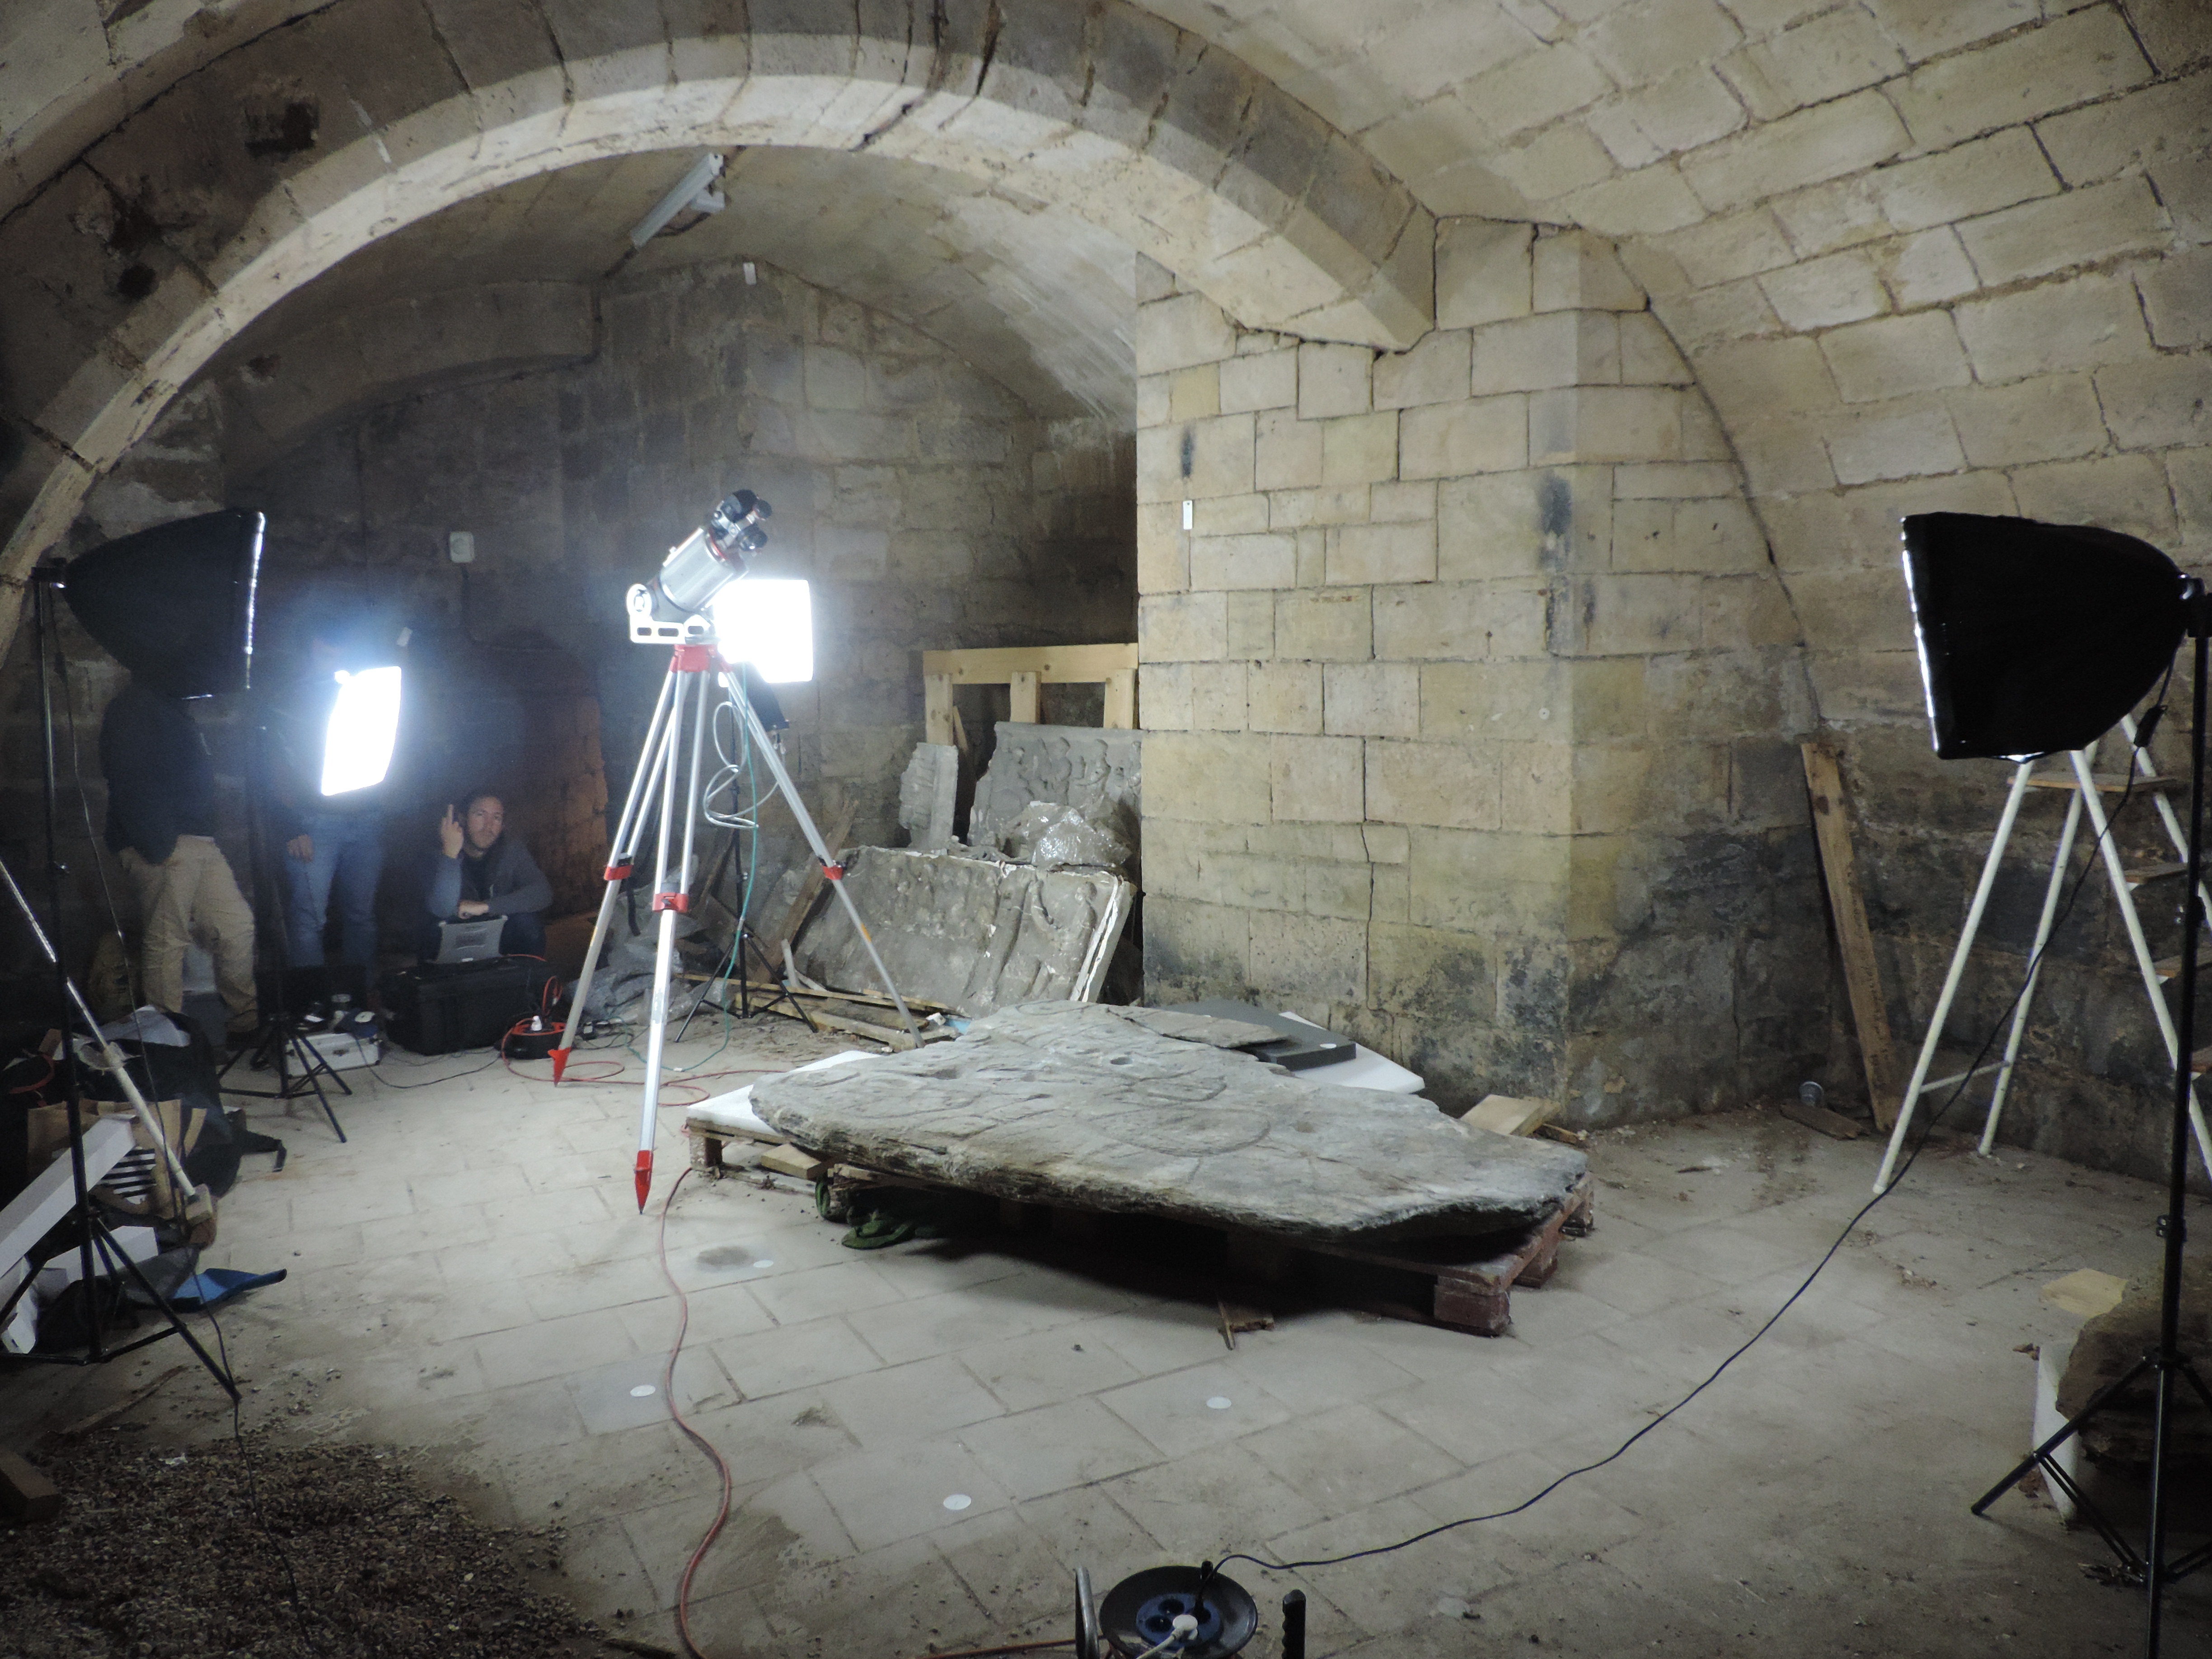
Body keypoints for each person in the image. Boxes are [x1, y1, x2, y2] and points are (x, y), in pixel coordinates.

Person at [99, 676, 259, 1036]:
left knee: (235, 927)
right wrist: (158, 844)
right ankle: (166, 1039)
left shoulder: (174, 707)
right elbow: (129, 777)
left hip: (198, 840)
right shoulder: (137, 707)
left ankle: (245, 1023)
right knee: (168, 940)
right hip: (166, 843)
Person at [270, 613, 389, 968]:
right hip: (314, 821)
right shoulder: (287, 701)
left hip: (366, 818)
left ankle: (361, 1001)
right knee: (309, 920)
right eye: (324, 655)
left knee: (362, 917)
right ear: (307, 655)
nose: (332, 663)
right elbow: (274, 767)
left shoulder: (362, 697)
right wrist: (291, 825)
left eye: (338, 656)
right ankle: (313, 1007)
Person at [422, 792, 551, 958]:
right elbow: (442, 909)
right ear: (462, 819)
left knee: (527, 924)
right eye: (480, 815)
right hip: (453, 938)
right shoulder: (433, 856)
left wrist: (486, 907)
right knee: (434, 930)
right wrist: (450, 855)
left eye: (496, 818)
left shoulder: (511, 851)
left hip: (497, 932)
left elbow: (543, 893)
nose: (488, 826)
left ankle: (529, 981)